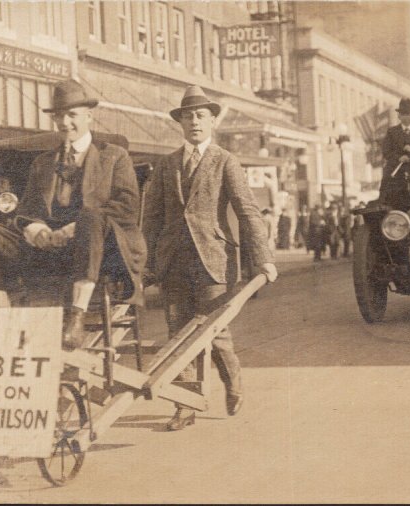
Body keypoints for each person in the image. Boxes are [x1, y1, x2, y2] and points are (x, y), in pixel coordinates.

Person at [0, 80, 146, 350]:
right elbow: (27, 212)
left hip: (100, 252)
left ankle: (76, 318)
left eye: (72, 115)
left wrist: (74, 228)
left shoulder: (114, 156)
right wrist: (35, 229)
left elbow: (127, 206)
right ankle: (5, 318)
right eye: (59, 116)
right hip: (50, 251)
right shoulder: (43, 163)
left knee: (90, 217)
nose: (65, 122)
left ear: (88, 116)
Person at [142, 85, 278, 431]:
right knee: (178, 335)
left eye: (201, 116)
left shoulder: (225, 161)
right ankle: (185, 405)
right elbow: (152, 218)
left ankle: (232, 380)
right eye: (188, 116)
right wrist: (149, 261)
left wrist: (263, 258)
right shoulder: (166, 164)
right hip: (173, 261)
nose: (195, 122)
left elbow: (247, 212)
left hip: (213, 261)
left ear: (212, 121)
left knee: (214, 332)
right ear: (181, 123)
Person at [380, 98, 410, 211]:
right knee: (393, 202)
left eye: (408, 114)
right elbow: (386, 151)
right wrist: (399, 158)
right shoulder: (391, 132)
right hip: (395, 174)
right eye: (403, 114)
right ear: (399, 116)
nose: (406, 117)